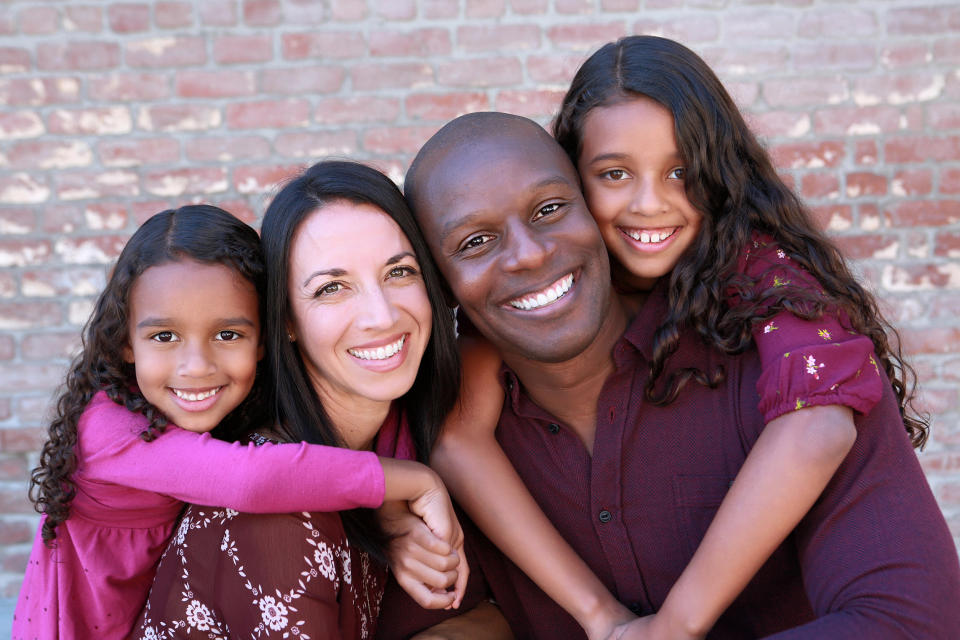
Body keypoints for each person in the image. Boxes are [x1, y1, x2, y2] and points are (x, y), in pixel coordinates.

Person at [420, 35, 947, 639]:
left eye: (681, 172)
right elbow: (455, 437)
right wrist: (600, 617)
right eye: (615, 174)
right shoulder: (492, 345)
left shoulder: (767, 283)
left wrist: (674, 626)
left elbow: (817, 427)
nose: (651, 204)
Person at [14, 205, 461, 640]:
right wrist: (414, 482)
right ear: (125, 341)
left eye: (228, 335)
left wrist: (393, 522)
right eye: (164, 336)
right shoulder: (111, 430)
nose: (196, 366)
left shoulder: (239, 409)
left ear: (265, 339)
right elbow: (250, 479)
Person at [131, 161, 491, 639]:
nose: (380, 316)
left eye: (399, 272)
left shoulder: (412, 438)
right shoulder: (273, 523)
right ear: (284, 320)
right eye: (331, 288)